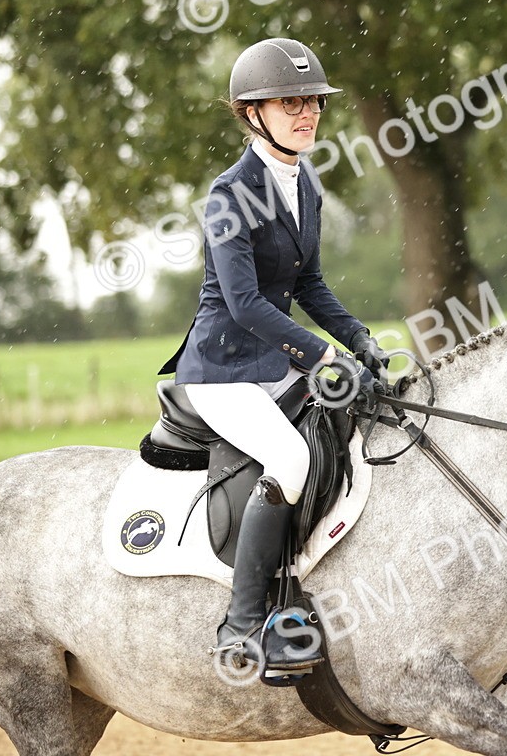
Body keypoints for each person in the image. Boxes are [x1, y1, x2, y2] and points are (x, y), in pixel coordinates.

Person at [158, 37, 388, 674]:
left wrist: (358, 337)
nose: (307, 112)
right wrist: (321, 357)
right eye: (290, 102)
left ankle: (304, 594)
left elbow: (309, 285)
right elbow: (243, 304)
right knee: (288, 458)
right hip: (223, 368)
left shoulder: (303, 182)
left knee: (350, 432)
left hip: (273, 359)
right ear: (252, 113)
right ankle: (243, 625)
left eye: (312, 101)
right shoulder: (229, 194)